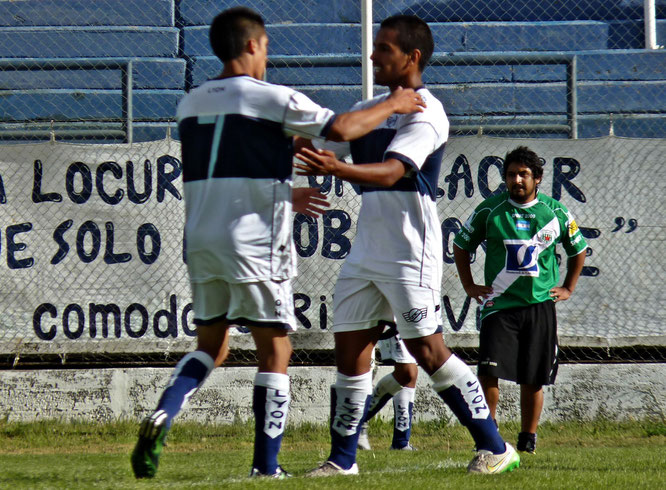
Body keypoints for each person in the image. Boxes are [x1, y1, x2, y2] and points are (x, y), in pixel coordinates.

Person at [130, 6, 426, 480]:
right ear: (251, 45)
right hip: (254, 245)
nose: (267, 55)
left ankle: (166, 410)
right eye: (266, 46)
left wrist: (285, 190)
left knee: (211, 344)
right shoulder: (274, 98)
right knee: (276, 350)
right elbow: (344, 130)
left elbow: (230, 164)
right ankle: (266, 467)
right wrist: (396, 104)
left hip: (201, 240)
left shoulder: (192, 103)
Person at [295, 14, 520, 476]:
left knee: (428, 352)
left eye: (383, 49)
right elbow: (323, 144)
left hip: (409, 250)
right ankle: (342, 461)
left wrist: (336, 170)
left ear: (411, 57)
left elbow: (395, 172)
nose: (373, 55)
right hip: (366, 252)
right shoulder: (370, 106)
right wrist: (279, 142)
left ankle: (496, 447)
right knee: (350, 352)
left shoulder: (429, 112)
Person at [453, 145, 587, 454]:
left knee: (533, 378)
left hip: (539, 305)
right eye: (512, 174)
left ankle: (528, 439)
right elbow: (461, 245)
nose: (517, 180)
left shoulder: (555, 212)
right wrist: (470, 284)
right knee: (489, 373)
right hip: (499, 306)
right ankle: (488, 438)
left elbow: (577, 249)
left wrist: (568, 287)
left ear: (537, 178)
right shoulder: (491, 210)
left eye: (524, 174)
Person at [358, 328, 419, 451]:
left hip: (422, 314)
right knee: (406, 372)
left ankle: (401, 442)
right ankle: (357, 421)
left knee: (410, 373)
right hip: (401, 314)